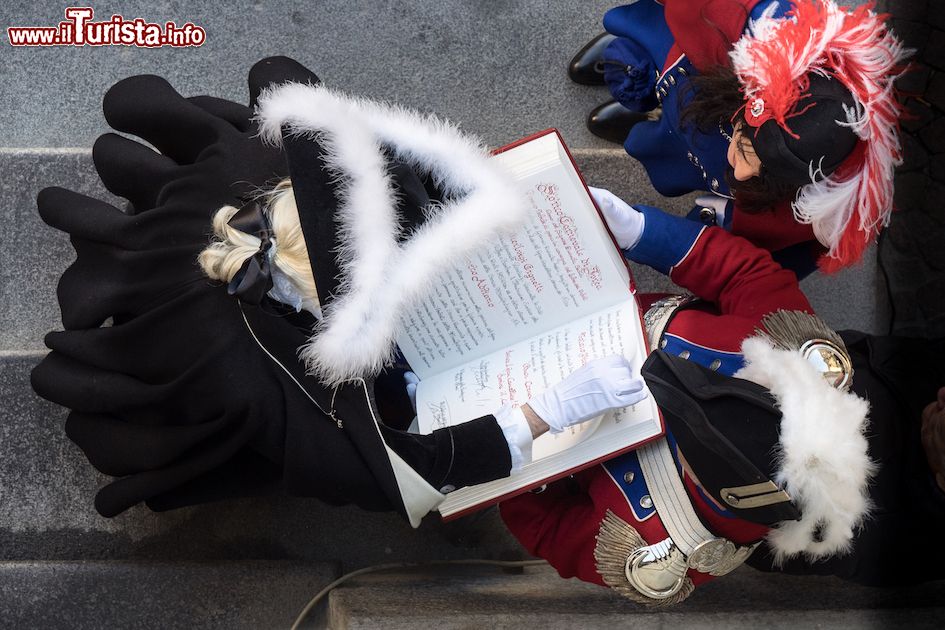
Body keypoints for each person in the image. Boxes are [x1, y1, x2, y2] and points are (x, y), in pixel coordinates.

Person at [30, 57, 646, 526]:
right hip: (212, 362)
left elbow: (393, 173)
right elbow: (394, 472)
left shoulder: (267, 180)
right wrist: (547, 412)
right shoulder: (256, 390)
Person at [498, 186, 945, 601]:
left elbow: (552, 530)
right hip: (557, 307)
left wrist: (499, 446)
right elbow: (742, 273)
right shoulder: (785, 343)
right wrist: (640, 231)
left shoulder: (658, 540)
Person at [568, 0, 910, 275]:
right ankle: (643, 74)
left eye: (762, 171)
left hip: (712, 137)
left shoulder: (820, 210)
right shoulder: (754, 25)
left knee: (679, 148)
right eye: (747, 150)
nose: (743, 173)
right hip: (712, 77)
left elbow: (766, 253)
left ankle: (652, 120)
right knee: (657, 56)